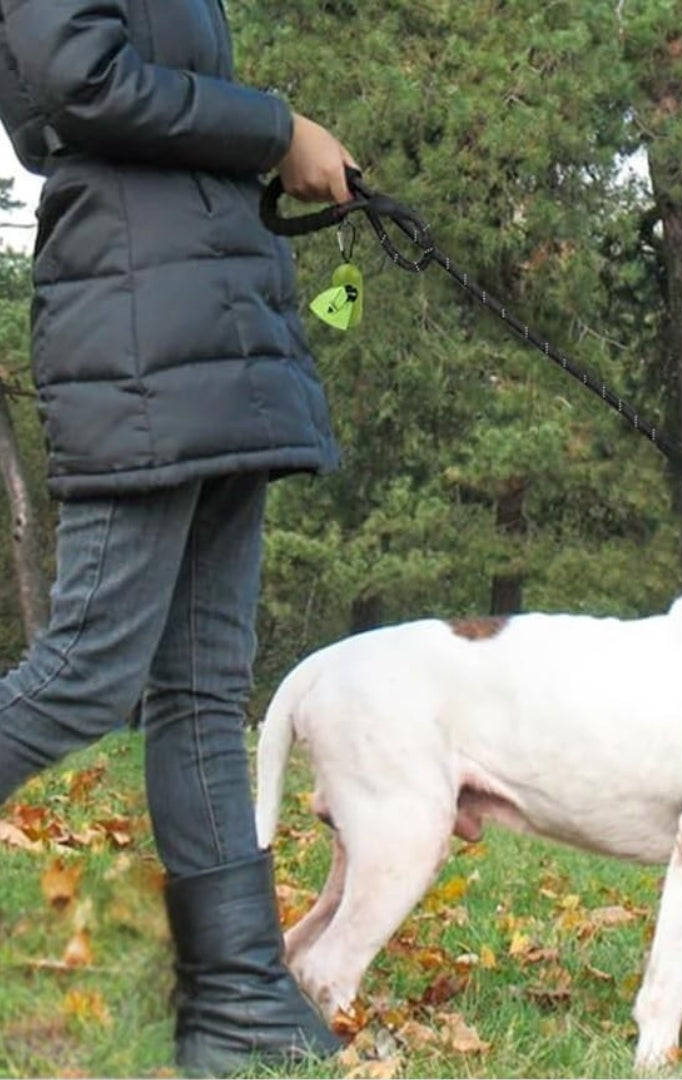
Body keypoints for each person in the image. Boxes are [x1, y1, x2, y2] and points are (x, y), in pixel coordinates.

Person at [0, 0, 354, 1073]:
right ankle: (238, 992)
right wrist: (275, 128)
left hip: (209, 322)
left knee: (203, 687)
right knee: (86, 672)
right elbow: (78, 85)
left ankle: (240, 998)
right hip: (139, 328)